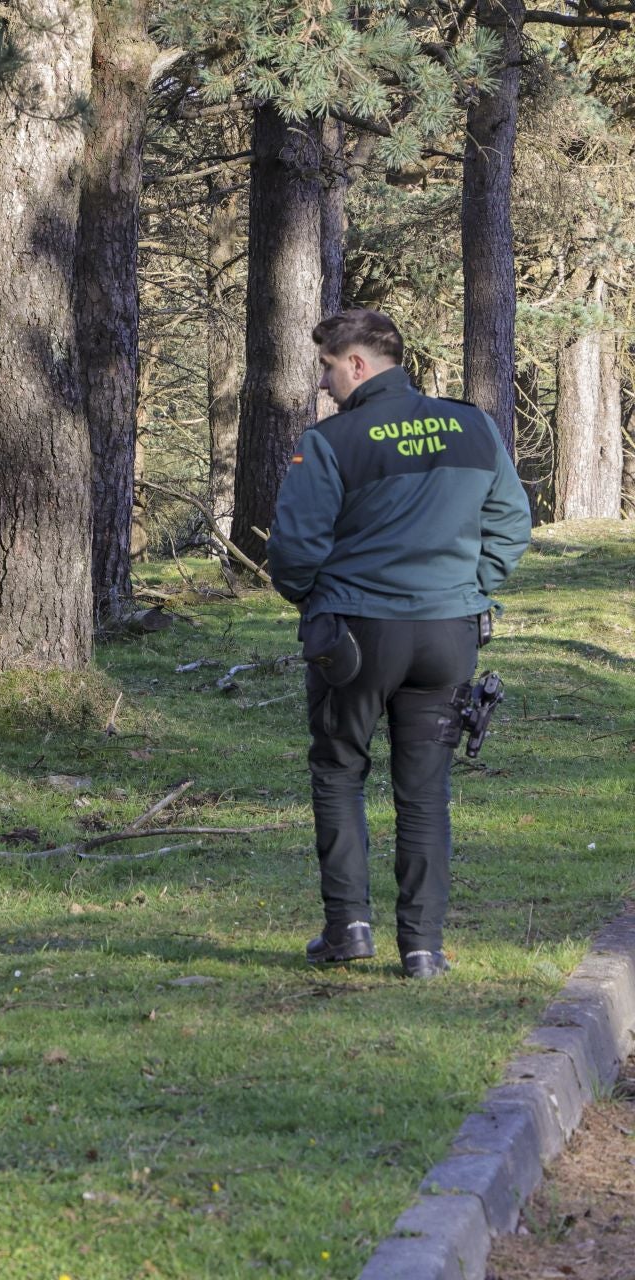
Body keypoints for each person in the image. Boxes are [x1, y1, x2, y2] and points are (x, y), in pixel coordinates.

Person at [269, 311, 531, 979]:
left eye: (328, 366)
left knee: (338, 771)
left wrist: (316, 599)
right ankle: (422, 949)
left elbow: (294, 552)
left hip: (356, 634)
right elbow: (510, 521)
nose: (324, 383)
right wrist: (473, 585)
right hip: (449, 634)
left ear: (358, 364)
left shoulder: (331, 442)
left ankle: (348, 928)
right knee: (424, 792)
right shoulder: (473, 427)